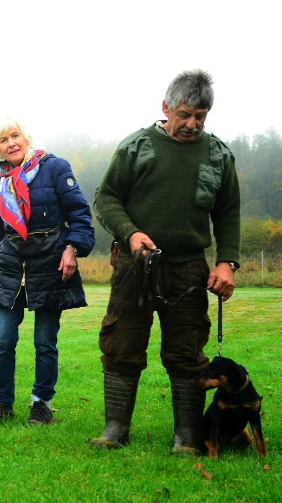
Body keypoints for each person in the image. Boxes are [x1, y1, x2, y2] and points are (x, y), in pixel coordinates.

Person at [91, 69, 241, 454]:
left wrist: (226, 264)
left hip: (190, 269)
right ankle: (115, 429)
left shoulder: (220, 155)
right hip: (135, 264)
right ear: (166, 108)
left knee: (188, 353)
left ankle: (187, 437)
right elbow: (106, 198)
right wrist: (130, 233)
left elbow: (228, 214)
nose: (192, 124)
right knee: (122, 345)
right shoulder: (136, 147)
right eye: (185, 114)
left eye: (200, 117)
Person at [0, 117, 95, 425]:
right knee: (3, 340)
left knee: (45, 341)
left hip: (49, 262)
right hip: (10, 265)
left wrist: (73, 248)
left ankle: (40, 404)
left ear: (26, 137)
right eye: (3, 140)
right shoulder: (0, 182)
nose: (11, 143)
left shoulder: (55, 167)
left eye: (15, 136)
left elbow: (80, 214)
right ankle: (2, 405)